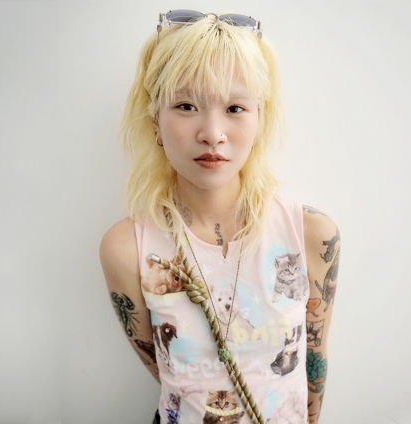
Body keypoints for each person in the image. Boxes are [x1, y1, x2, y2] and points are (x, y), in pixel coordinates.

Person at [100, 10, 340, 424]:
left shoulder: (311, 234)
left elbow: (313, 364)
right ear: (155, 119)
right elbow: (165, 372)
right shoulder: (126, 249)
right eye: (186, 105)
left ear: (259, 117)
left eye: (234, 107)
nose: (212, 133)